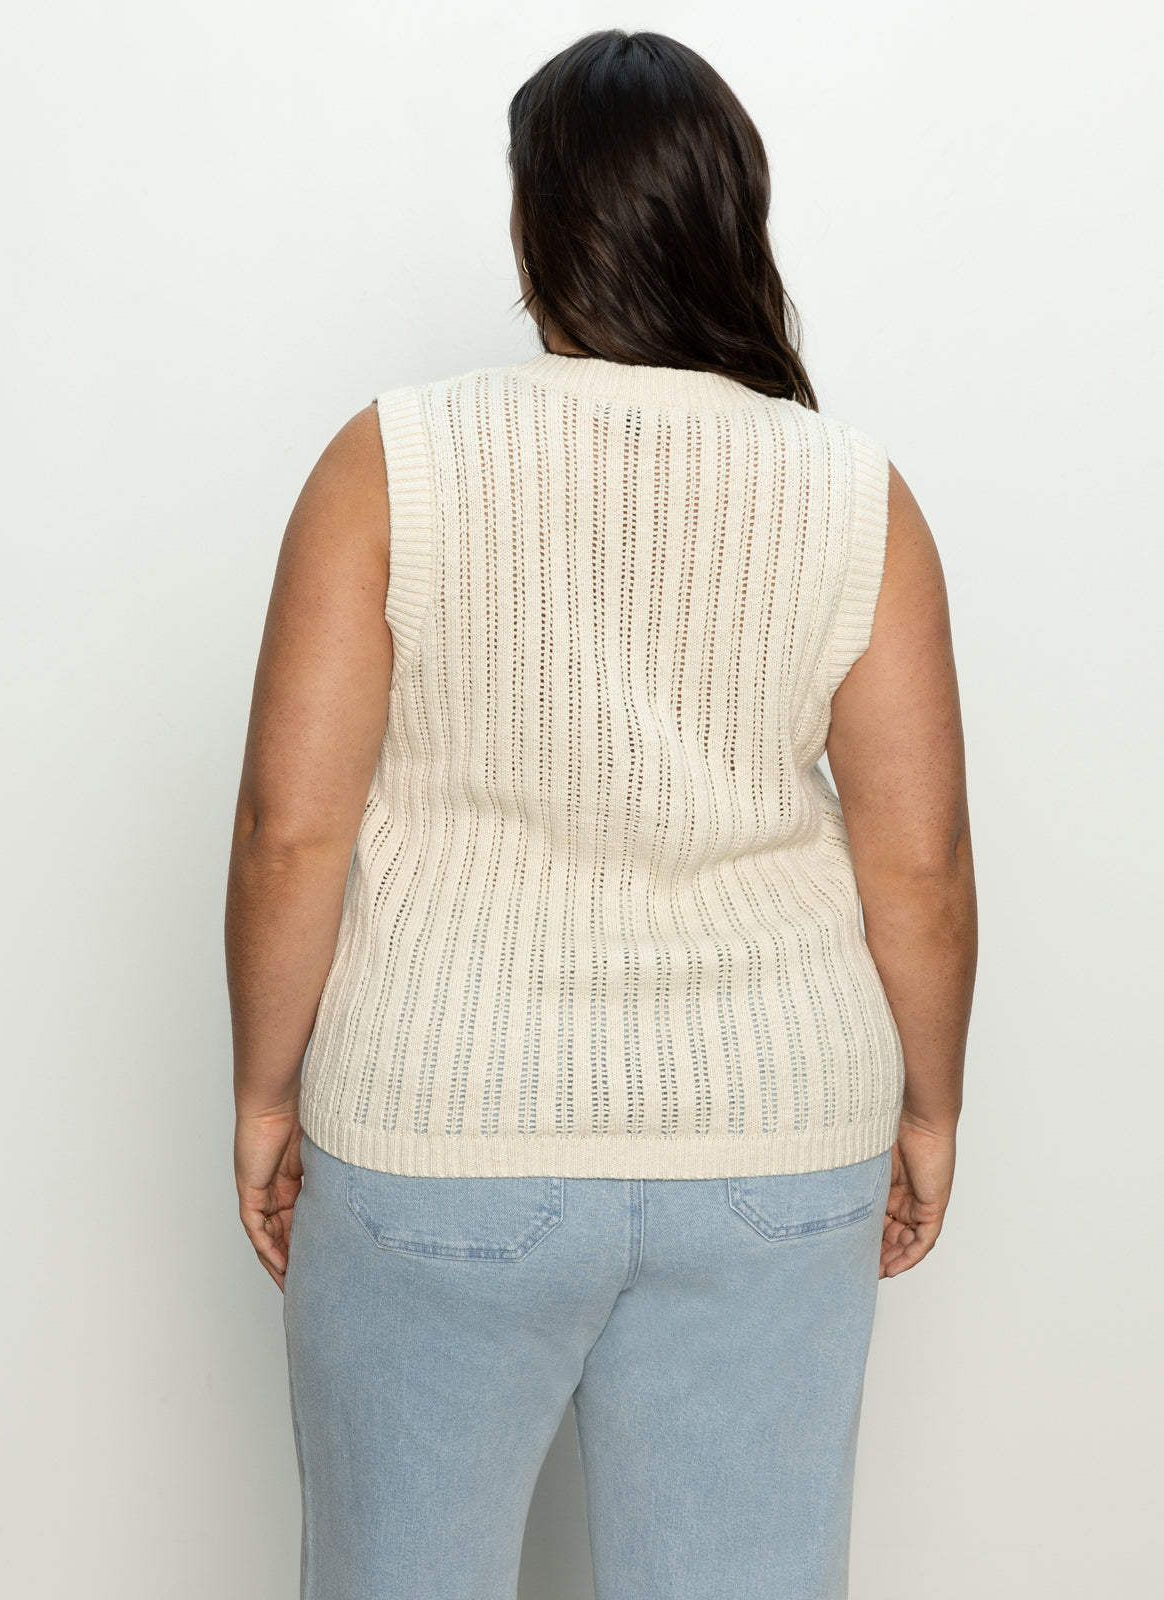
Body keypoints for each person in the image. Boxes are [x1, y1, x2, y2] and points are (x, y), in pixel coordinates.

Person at [224, 27, 977, 1600]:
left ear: (534, 229)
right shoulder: (859, 497)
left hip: (438, 1123)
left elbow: (291, 830)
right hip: (777, 1139)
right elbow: (919, 859)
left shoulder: (391, 467)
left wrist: (265, 1095)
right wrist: (927, 1108)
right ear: (731, 220)